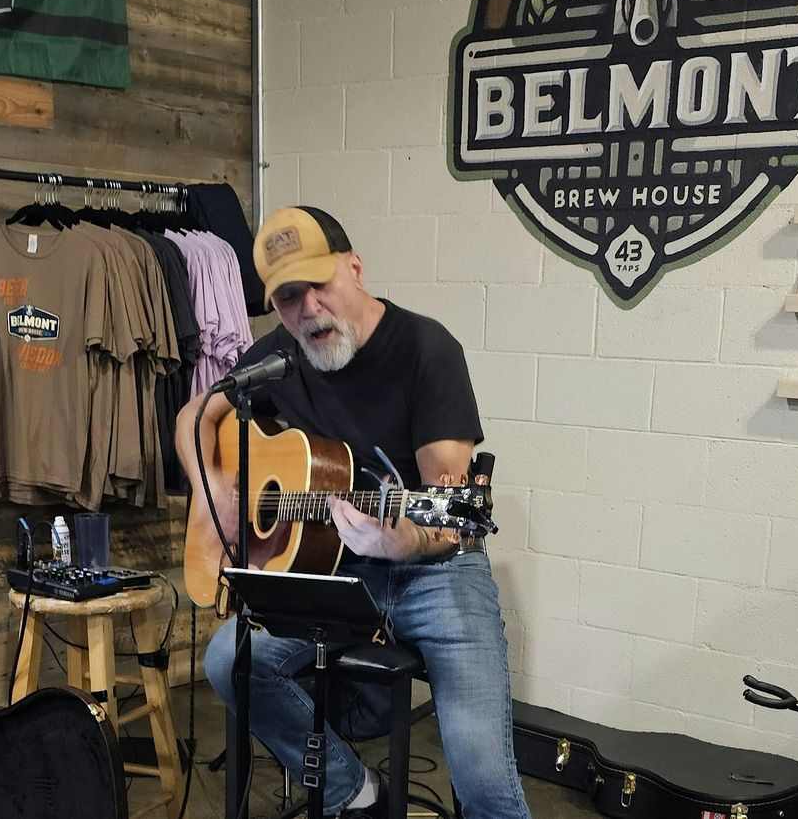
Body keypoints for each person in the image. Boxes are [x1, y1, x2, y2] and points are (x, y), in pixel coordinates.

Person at [176, 205, 532, 819]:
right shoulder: (280, 355)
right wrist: (217, 494)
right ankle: (356, 792)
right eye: (288, 297)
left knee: (484, 781)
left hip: (436, 571)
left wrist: (403, 543)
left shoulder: (426, 349)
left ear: (355, 268)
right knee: (228, 661)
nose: (308, 308)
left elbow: (449, 517)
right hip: (336, 573)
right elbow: (195, 415)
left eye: (320, 283)